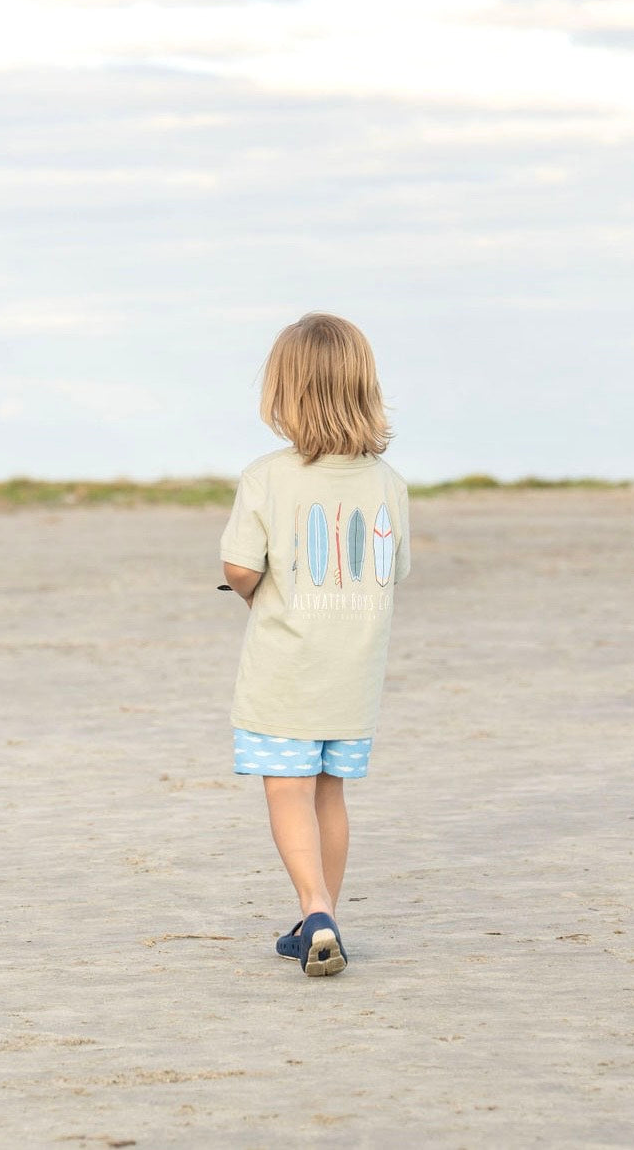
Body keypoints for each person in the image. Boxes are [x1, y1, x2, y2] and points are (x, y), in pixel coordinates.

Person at [219, 312, 410, 977]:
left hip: (286, 670)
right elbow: (396, 568)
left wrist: (251, 590)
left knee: (287, 790)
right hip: (353, 673)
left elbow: (240, 567)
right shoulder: (387, 483)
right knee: (330, 792)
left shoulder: (267, 476)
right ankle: (315, 918)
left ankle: (314, 906)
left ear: (284, 392)